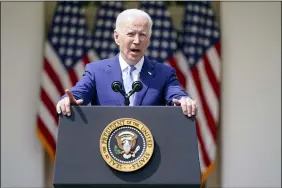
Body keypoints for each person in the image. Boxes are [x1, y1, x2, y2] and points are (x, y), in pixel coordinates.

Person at [56, 9, 198, 117]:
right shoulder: (96, 71)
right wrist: (67, 100)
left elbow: (176, 94)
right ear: (117, 37)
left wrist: (183, 100)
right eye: (131, 34)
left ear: (149, 40)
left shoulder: (164, 73)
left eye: (143, 35)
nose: (137, 41)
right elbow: (79, 93)